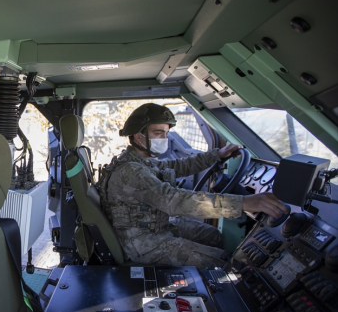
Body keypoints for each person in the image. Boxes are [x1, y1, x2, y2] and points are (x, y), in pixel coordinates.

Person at [97, 103, 288, 268]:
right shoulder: (131, 171)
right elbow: (175, 201)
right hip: (143, 242)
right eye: (158, 133)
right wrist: (243, 203)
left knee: (213, 235)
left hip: (153, 228)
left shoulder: (141, 161)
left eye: (165, 133)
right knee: (222, 262)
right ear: (139, 137)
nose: (164, 139)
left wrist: (217, 155)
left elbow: (178, 166)